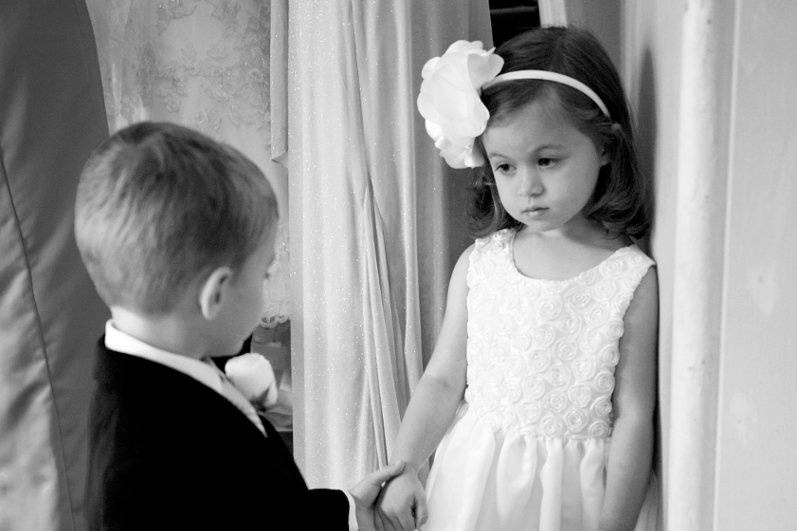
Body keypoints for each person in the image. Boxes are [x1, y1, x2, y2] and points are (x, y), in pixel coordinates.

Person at [377, 27, 660, 531]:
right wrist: (404, 468)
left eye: (547, 160)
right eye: (505, 166)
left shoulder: (629, 279)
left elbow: (634, 417)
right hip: (473, 485)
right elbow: (443, 379)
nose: (527, 187)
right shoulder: (480, 265)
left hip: (571, 500)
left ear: (605, 148)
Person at [77, 121, 404, 530]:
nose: (270, 286)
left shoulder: (168, 365)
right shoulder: (136, 467)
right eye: (265, 273)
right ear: (216, 294)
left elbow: (252, 510)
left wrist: (351, 512)